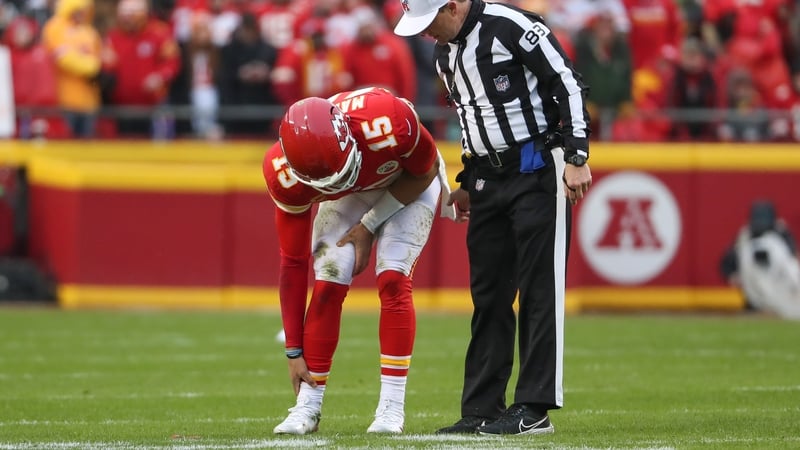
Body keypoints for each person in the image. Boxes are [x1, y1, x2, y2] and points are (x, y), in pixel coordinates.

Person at [394, 0, 593, 436]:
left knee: (540, 289)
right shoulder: (445, 52)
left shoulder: (511, 25)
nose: (426, 33)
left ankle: (534, 407)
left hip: (537, 167)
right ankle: (482, 408)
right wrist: (468, 179)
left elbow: (567, 82)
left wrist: (577, 154)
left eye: (429, 22)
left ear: (451, 7)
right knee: (489, 295)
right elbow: (473, 117)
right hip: (487, 177)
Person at [262, 86, 455, 435]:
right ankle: (308, 405)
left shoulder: (387, 119)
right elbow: (293, 263)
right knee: (328, 278)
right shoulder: (283, 173)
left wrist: (368, 226)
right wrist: (293, 351)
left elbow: (424, 173)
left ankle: (391, 408)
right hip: (352, 193)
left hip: (405, 181)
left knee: (393, 277)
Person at [720, 200, 800, 319]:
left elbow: (793, 261)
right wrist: (733, 275)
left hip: (780, 286)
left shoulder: (780, 232)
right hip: (754, 289)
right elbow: (727, 262)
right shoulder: (746, 235)